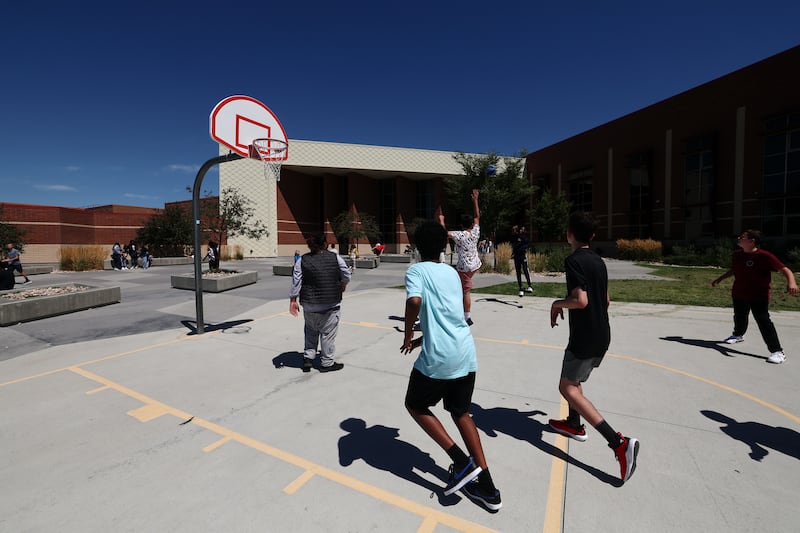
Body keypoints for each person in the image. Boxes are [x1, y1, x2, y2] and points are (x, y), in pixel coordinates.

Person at [400, 220, 501, 511]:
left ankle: (461, 462)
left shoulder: (416, 270)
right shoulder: (453, 274)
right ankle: (488, 488)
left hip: (441, 357)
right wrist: (420, 340)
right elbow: (449, 318)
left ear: (417, 247)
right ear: (444, 246)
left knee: (415, 405)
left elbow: (415, 301)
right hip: (465, 352)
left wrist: (408, 333)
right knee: (461, 413)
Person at [548, 212, 639, 484]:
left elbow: (581, 300)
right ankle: (574, 424)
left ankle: (619, 443)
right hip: (602, 333)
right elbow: (606, 299)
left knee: (566, 387)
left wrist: (556, 304)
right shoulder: (599, 260)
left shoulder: (574, 260)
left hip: (585, 336)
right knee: (574, 383)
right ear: (593, 236)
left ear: (569, 234)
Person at [711, 229, 798, 364]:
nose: (739, 238)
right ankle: (738, 335)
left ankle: (777, 352)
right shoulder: (737, 255)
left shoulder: (764, 256)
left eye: (743, 237)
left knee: (763, 321)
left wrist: (791, 282)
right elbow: (734, 270)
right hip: (739, 292)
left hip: (759, 295)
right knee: (739, 315)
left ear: (752, 241)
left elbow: (785, 270)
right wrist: (720, 279)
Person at [290, 233, 351, 373]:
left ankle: (308, 358)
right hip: (330, 303)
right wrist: (343, 284)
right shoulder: (335, 257)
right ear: (325, 244)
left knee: (310, 331)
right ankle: (327, 363)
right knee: (328, 334)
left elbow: (296, 280)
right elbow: (346, 274)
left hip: (309, 303)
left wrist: (293, 299)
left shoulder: (302, 259)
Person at [439, 189, 481, 326]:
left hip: (465, 267)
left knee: (465, 291)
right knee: (460, 288)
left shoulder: (460, 235)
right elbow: (477, 216)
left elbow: (444, 233)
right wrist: (475, 200)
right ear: (471, 225)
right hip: (475, 264)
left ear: (462, 225)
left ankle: (467, 317)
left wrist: (441, 221)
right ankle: (459, 311)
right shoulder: (475, 232)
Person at [511, 225, 534, 297]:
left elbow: (524, 241)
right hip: (516, 256)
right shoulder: (516, 237)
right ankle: (520, 288)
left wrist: (518, 234)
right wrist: (514, 232)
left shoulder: (525, 238)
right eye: (520, 229)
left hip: (522, 256)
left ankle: (529, 285)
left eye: (522, 229)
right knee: (518, 272)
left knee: (525, 270)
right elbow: (513, 239)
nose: (521, 230)